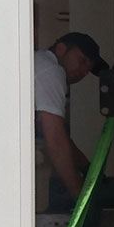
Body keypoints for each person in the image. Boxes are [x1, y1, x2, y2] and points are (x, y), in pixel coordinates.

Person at [34, 32, 104, 206]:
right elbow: (56, 142)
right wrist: (82, 200)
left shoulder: (40, 63)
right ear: (61, 49)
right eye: (82, 61)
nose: (84, 71)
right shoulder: (52, 71)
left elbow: (58, 134)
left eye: (88, 69)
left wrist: (86, 167)